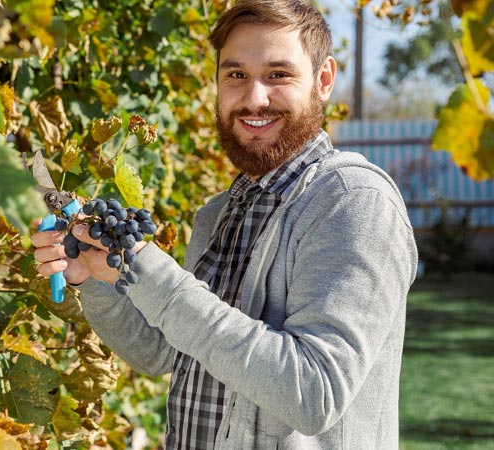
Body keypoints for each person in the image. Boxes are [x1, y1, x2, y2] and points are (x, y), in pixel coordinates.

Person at [32, 0, 418, 448]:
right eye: (236, 75)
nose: (254, 97)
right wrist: (99, 278)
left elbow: (314, 394)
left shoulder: (352, 202)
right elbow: (163, 353)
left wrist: (150, 269)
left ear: (323, 80)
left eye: (278, 75)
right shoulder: (219, 212)